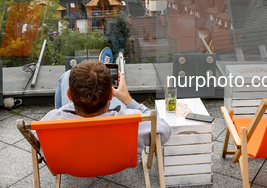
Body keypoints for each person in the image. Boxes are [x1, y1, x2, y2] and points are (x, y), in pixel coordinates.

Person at [43, 60, 171, 158]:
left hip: (70, 160)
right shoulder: (132, 121)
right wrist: (128, 100)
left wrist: (79, 99)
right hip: (119, 161)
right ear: (111, 95)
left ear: (69, 95)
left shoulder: (51, 121)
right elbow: (165, 131)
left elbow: (40, 150)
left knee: (66, 75)